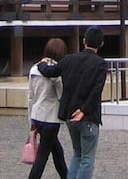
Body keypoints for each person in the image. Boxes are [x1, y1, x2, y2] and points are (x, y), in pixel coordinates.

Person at [37, 26, 108, 179]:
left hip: (70, 114)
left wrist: (41, 63)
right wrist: (84, 110)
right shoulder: (100, 64)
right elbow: (97, 90)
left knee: (77, 154)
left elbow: (50, 72)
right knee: (87, 157)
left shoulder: (69, 59)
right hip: (88, 116)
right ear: (101, 44)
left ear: (84, 41)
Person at [28, 38, 68, 179]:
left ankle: (66, 176)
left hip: (37, 116)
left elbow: (31, 97)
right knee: (42, 157)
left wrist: (31, 121)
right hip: (51, 118)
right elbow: (61, 94)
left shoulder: (34, 68)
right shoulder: (56, 71)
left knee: (57, 150)